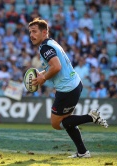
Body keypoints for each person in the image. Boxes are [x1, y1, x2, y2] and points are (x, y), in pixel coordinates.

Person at [28, 18, 108, 158]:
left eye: (34, 32)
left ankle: (91, 117)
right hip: (74, 84)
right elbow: (54, 66)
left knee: (56, 124)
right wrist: (40, 75)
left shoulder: (45, 47)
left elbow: (57, 67)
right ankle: (83, 152)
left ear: (44, 32)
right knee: (67, 121)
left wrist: (44, 78)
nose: (31, 35)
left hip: (67, 90)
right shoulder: (51, 42)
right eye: (30, 32)